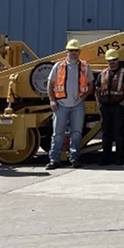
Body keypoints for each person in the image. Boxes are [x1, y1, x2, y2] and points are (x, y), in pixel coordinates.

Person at [46, 39, 90, 170]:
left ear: (79, 52)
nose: (73, 53)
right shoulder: (58, 66)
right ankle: (54, 159)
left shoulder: (85, 67)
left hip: (78, 105)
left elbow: (91, 84)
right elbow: (50, 84)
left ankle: (74, 158)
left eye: (76, 50)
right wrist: (52, 100)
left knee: (76, 133)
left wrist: (83, 97)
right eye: (71, 50)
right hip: (60, 105)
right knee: (57, 133)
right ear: (67, 52)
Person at [95, 49, 124, 166]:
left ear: (118, 60)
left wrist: (123, 103)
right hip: (105, 107)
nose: (112, 62)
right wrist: (99, 104)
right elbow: (97, 89)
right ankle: (106, 157)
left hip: (118, 106)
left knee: (118, 133)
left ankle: (120, 158)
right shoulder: (102, 73)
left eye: (114, 60)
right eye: (110, 60)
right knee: (106, 133)